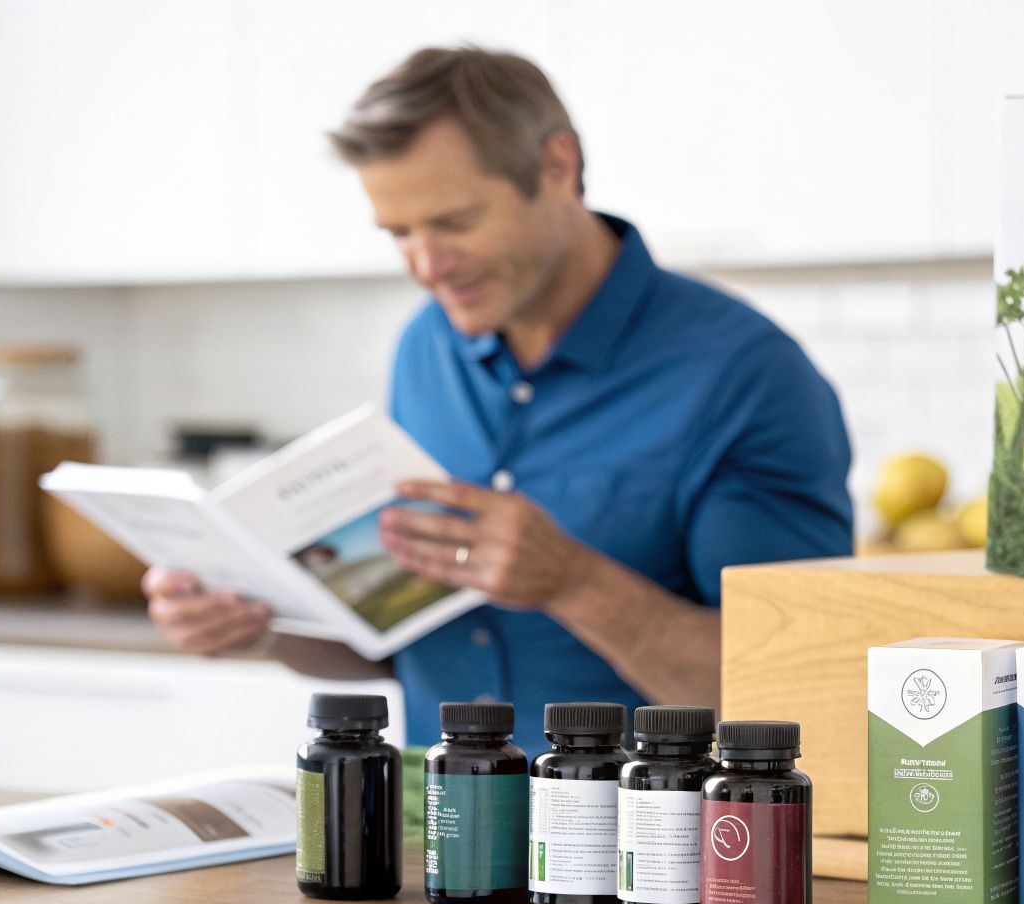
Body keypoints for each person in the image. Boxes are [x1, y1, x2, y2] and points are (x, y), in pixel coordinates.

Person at [144, 46, 852, 754]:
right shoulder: (426, 347)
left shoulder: (746, 374)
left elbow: (799, 695)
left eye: (453, 222)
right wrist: (263, 623)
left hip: (644, 849)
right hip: (442, 834)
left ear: (557, 167)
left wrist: (574, 581)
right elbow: (403, 646)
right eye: (399, 233)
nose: (425, 265)